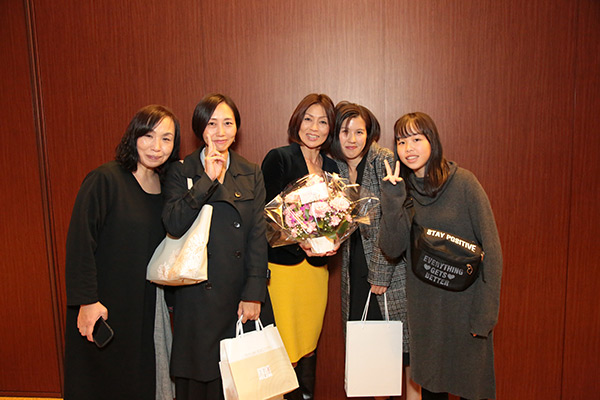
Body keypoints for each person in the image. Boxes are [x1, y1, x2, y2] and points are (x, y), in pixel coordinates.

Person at [378, 112, 502, 400]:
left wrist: (485, 315)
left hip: (466, 309)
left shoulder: (464, 183)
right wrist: (393, 200)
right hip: (426, 312)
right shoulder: (404, 190)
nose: (408, 148)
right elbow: (392, 248)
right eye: (401, 141)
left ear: (432, 141)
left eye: (416, 139)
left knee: (472, 389)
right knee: (433, 390)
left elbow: (493, 251)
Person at [64, 105, 181, 400]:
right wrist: (87, 301)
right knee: (102, 383)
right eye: (148, 135)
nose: (156, 147)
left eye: (166, 139)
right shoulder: (105, 179)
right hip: (105, 305)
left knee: (140, 382)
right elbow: (80, 244)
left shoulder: (165, 187)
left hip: (145, 307)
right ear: (133, 136)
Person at [162, 93, 273, 400]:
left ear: (237, 128)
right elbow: (173, 224)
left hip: (239, 295)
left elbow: (257, 235)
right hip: (197, 296)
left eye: (228, 123)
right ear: (200, 128)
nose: (220, 132)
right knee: (201, 381)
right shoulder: (181, 170)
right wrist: (206, 180)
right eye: (212, 124)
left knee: (243, 383)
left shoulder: (250, 171)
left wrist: (254, 293)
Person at [330, 102, 421, 400]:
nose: (352, 139)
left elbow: (396, 221)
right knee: (374, 355)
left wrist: (381, 273)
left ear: (369, 134)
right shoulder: (337, 168)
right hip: (356, 272)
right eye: (345, 132)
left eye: (359, 132)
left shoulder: (384, 161)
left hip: (392, 272)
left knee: (406, 356)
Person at [261, 93, 339, 400]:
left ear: (330, 128)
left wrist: (335, 237)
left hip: (316, 272)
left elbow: (336, 216)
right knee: (282, 347)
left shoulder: (332, 167)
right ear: (297, 121)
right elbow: (265, 217)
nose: (314, 128)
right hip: (283, 270)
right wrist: (301, 240)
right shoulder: (279, 158)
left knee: (308, 345)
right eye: (308, 119)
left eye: (322, 122)